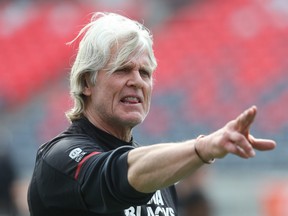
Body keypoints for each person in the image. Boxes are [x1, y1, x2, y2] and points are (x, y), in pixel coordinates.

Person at [27, 12, 276, 216]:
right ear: (86, 83)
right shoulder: (60, 159)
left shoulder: (162, 178)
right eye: (122, 70)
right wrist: (204, 148)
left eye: (145, 73)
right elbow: (116, 173)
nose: (137, 81)